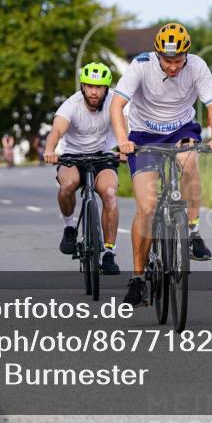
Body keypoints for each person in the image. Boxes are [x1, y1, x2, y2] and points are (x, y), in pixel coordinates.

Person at [110, 23, 212, 306]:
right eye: (167, 61)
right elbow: (116, 105)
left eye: (177, 61)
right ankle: (138, 279)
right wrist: (123, 140)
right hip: (142, 135)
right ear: (157, 54)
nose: (173, 67)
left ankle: (194, 231)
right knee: (147, 207)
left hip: (181, 130)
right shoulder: (140, 66)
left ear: (186, 54)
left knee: (189, 162)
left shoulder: (197, 66)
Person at [44, 62, 121, 275]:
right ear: (82, 87)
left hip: (104, 156)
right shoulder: (71, 105)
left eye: (99, 87)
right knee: (67, 185)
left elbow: (126, 127)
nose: (94, 92)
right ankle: (69, 227)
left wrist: (126, 148)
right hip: (72, 156)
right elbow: (56, 131)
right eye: (89, 86)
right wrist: (50, 150)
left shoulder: (115, 102)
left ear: (106, 88)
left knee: (110, 193)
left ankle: (109, 253)